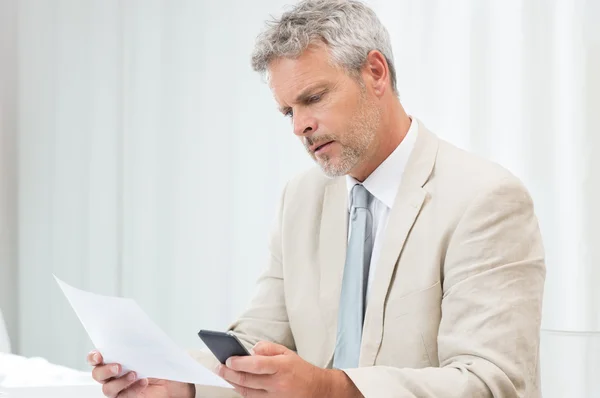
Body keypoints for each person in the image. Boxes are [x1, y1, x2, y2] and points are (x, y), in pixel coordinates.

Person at [88, 0, 546, 397]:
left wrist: (330, 390)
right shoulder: (301, 199)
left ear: (375, 72)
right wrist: (181, 383)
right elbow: (260, 339)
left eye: (313, 98)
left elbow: (493, 383)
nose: (298, 127)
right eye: (288, 110)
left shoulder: (484, 199)